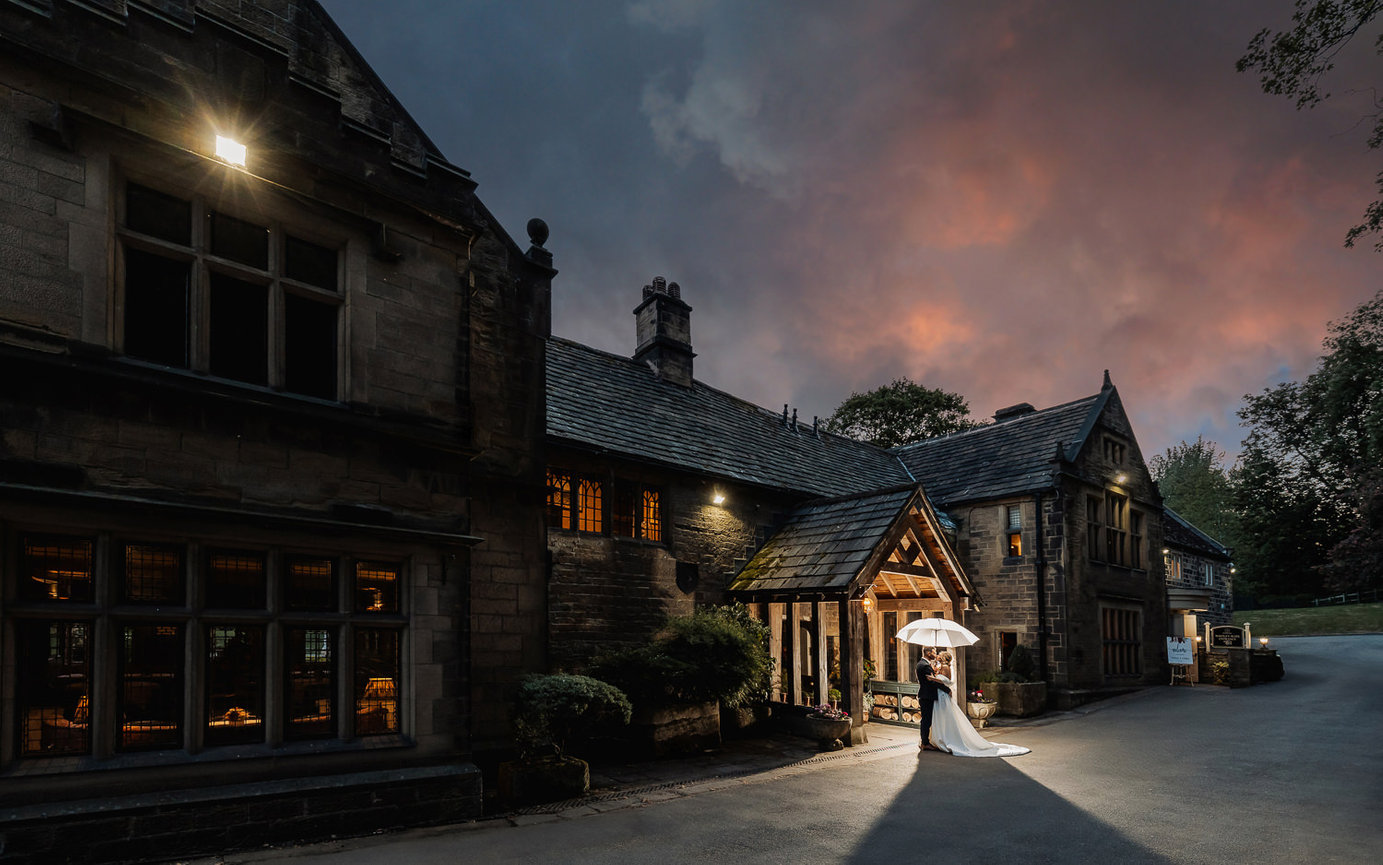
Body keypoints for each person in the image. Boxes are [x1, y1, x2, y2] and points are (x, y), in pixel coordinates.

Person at [926, 663, 1030, 758]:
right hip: (939, 695)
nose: (937, 656)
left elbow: (947, 681)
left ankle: (946, 739)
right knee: (941, 717)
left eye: (939, 655)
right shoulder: (940, 668)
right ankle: (941, 738)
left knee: (946, 717)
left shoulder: (945, 667)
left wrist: (933, 678)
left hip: (942, 696)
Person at [914, 654, 948, 751]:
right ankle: (925, 743)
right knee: (926, 720)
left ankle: (924, 741)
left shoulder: (922, 663)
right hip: (927, 696)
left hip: (925, 695)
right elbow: (932, 682)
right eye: (933, 651)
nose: (935, 653)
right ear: (928, 653)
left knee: (926, 719)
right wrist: (947, 690)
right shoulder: (925, 666)